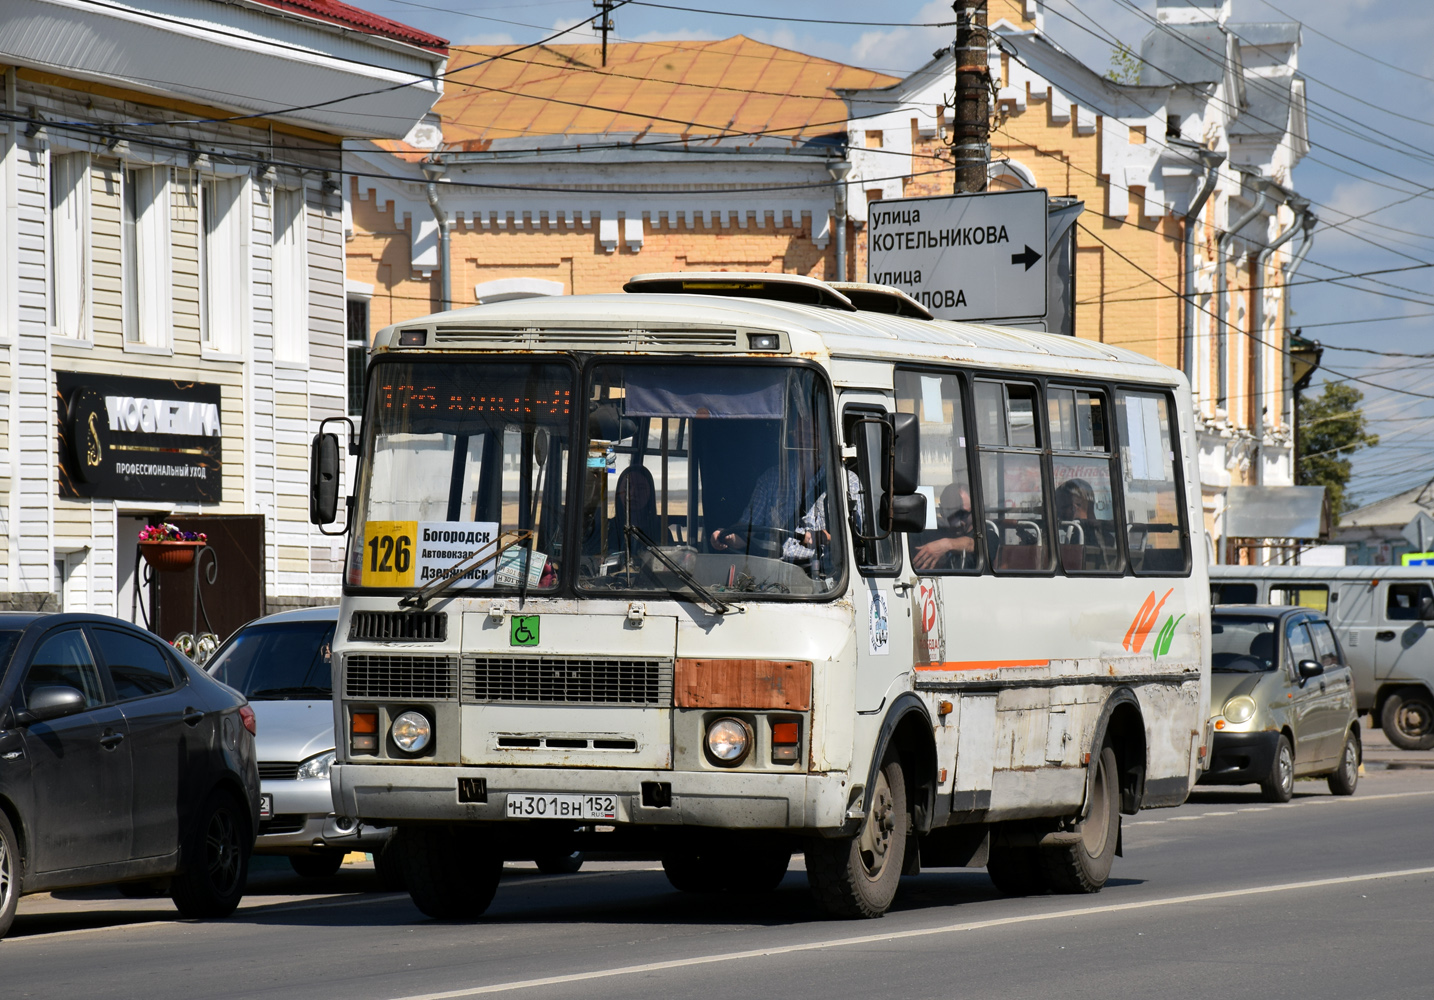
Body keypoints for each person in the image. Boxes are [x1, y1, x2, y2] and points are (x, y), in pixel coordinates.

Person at [911, 482, 982, 571]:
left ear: (974, 511)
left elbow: (977, 544)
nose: (959, 522)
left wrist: (945, 545)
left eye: (964, 514)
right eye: (951, 513)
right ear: (942, 511)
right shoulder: (930, 533)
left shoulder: (986, 533)